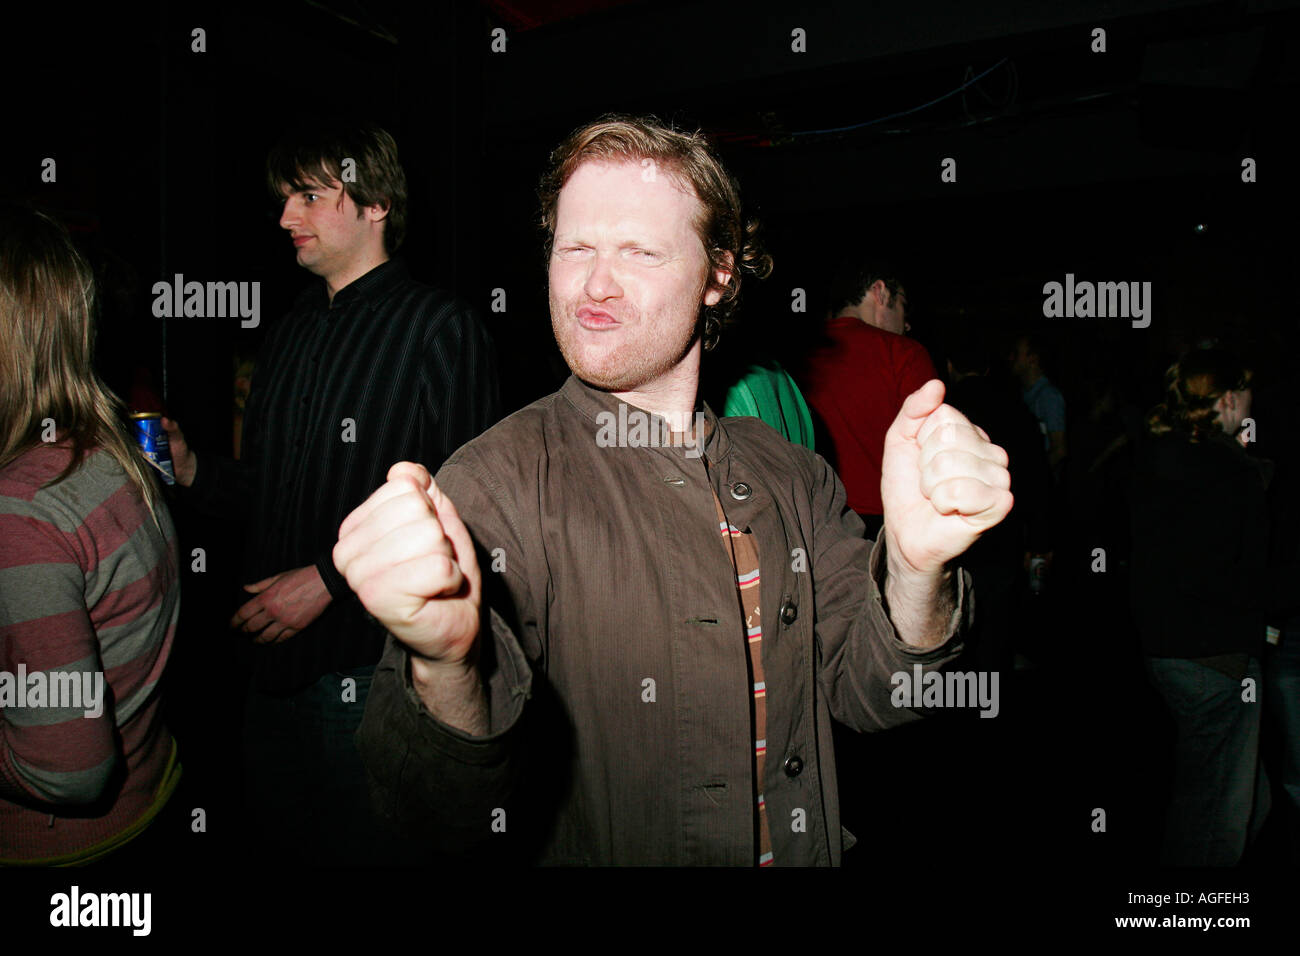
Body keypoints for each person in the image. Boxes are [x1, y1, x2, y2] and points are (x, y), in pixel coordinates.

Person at [336, 115, 1013, 866]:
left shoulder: (790, 472)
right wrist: (445, 664)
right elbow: (435, 816)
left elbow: (878, 696)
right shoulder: (491, 483)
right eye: (576, 247)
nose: (595, 281)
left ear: (718, 274)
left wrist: (918, 573)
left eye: (640, 251)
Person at [162, 121, 500, 864]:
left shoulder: (442, 328)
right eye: (285, 198)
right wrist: (192, 471)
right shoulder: (288, 332)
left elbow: (465, 514)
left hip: (367, 673)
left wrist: (325, 579)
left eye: (310, 195)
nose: (286, 217)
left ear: (375, 201)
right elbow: (267, 492)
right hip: (262, 673)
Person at [0, 203, 181, 864]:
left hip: (59, 850)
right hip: (150, 788)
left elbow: (70, 771)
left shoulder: (22, 509)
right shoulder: (108, 445)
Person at [1130, 348, 1300, 865]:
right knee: (1215, 819)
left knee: (1244, 798)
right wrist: (1280, 597)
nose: (1254, 402)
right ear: (1228, 398)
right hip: (1215, 655)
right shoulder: (1226, 471)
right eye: (1246, 392)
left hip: (1168, 649)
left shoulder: (1157, 455)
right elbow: (1224, 573)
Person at [797, 256, 937, 538]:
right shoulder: (905, 354)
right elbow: (932, 452)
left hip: (811, 524)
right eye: (903, 306)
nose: (907, 323)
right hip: (887, 525)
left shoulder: (796, 356)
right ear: (880, 292)